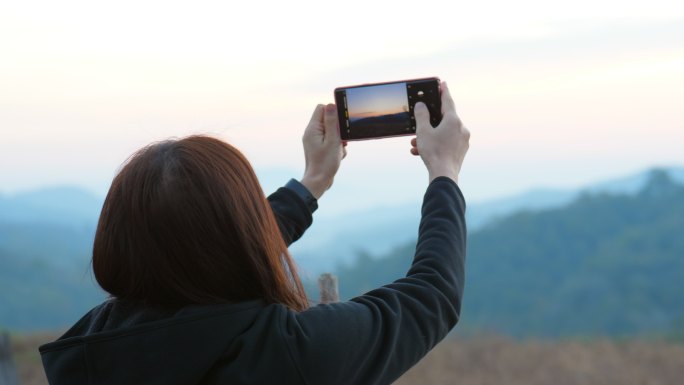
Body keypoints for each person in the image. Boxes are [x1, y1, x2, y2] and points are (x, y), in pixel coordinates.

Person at [39, 81, 470, 385]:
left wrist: (311, 183)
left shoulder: (94, 346)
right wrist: (444, 172)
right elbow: (432, 295)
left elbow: (214, 248)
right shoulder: (287, 354)